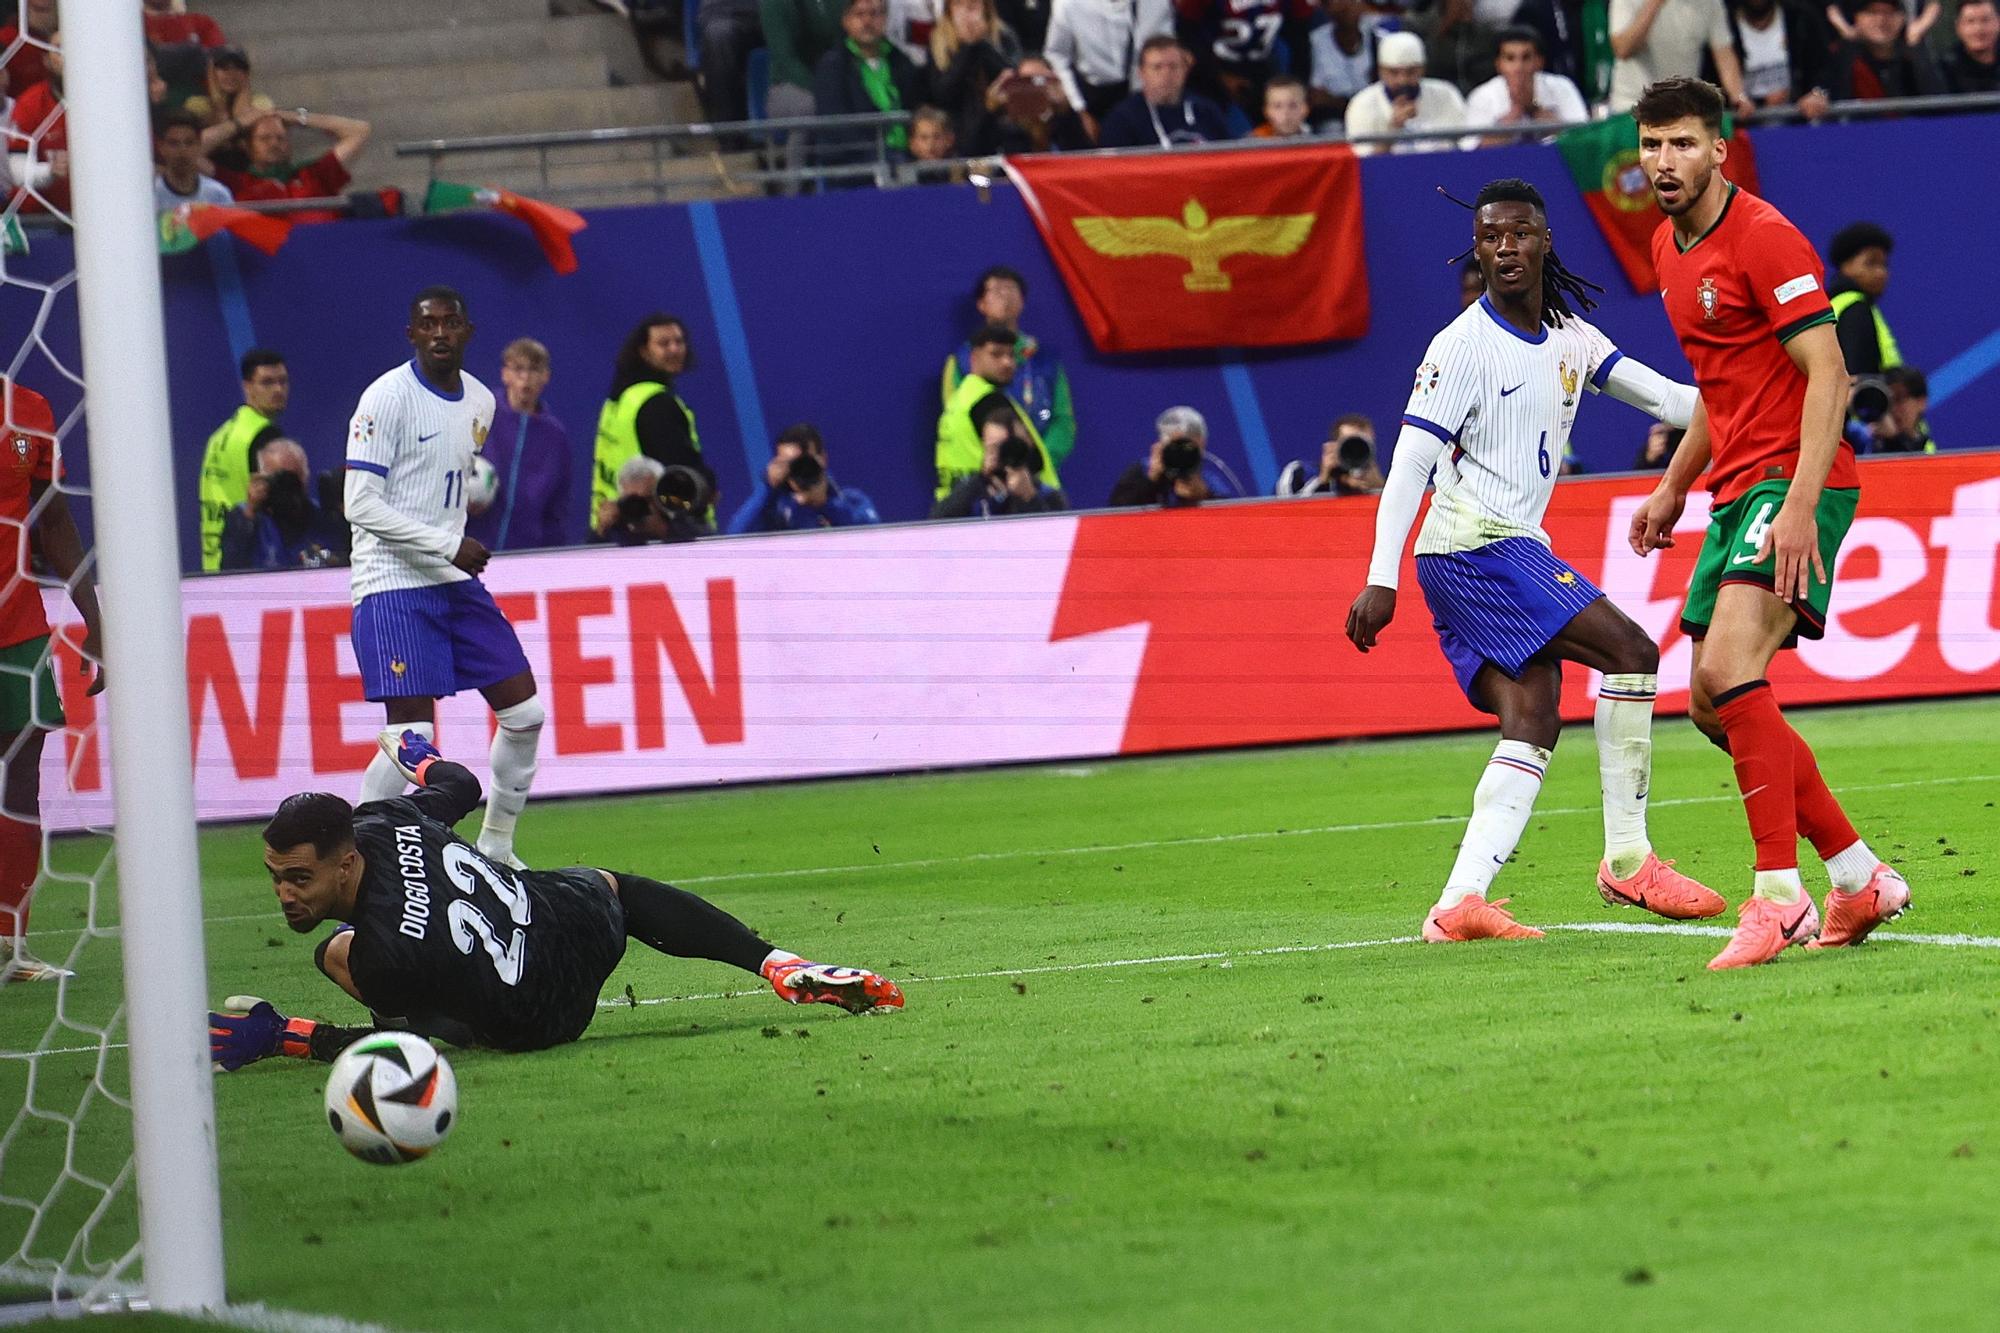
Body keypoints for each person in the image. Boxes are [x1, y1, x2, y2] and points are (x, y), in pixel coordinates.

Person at [1344, 177, 1714, 944]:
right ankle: (1629, 859)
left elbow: (1675, 404)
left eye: (1518, 234)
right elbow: (1409, 466)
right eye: (1490, 238)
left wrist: (1758, 379)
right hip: (1474, 546)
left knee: (1533, 718)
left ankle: (1459, 903)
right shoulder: (1460, 347)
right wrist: (1380, 578)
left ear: (1545, 241)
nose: (1505, 248)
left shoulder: (1572, 338)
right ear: (1477, 250)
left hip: (1505, 546)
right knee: (1633, 651)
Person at [1628, 76, 1907, 969]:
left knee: (1726, 664)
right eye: (1651, 145)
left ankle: (1777, 895)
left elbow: (1830, 375)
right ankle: (1858, 875)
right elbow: (1722, 383)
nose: (1664, 161)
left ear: (1719, 149)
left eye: (1681, 144)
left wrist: (1796, 507)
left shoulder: (1764, 234)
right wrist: (1675, 484)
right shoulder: (1667, 250)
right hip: (1736, 485)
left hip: (1796, 479)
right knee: (1714, 702)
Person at [206, 733, 902, 1070]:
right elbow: (461, 784)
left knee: (338, 954)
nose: (285, 893)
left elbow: (412, 1047)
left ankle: (781, 966)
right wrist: (416, 752)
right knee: (613, 886)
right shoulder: (386, 818)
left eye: (299, 877)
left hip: (538, 1020)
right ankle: (774, 963)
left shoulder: (388, 953)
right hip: (577, 923)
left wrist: (285, 1034)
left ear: (345, 860)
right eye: (276, 875)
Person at [345, 286, 543, 871]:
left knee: (525, 714)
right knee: (409, 735)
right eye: (427, 323)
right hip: (391, 583)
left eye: (450, 323)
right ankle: (358, 859)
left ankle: (498, 847)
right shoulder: (386, 398)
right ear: (412, 333)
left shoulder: (480, 402)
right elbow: (359, 503)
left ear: (467, 331)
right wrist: (446, 543)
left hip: (451, 583)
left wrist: (450, 538)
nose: (439, 333)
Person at [0, 379, 103, 984]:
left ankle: (12, 945)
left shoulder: (29, 409)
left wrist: (96, 618)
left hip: (17, 628)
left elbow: (54, 518)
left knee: (20, 780)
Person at [942, 266, 1076, 473]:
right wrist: (996, 467)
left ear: (1022, 302)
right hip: (983, 477)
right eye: (996, 290)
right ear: (981, 304)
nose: (1005, 296)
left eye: (1011, 289)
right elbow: (958, 425)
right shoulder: (961, 362)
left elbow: (1062, 421)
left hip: (1037, 478)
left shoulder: (1045, 361)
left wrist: (1034, 463)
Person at [592, 314, 714, 537]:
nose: (675, 349)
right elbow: (680, 471)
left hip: (610, 524)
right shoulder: (657, 404)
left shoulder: (619, 399)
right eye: (663, 343)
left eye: (679, 341)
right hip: (655, 530)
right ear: (643, 351)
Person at [465, 338, 574, 553]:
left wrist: (553, 557)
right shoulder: (479, 413)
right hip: (468, 549)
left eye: (534, 370)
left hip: (524, 556)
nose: (525, 378)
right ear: (505, 374)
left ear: (545, 377)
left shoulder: (555, 437)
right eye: (518, 369)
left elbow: (557, 507)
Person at [937, 322, 1062, 498]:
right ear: (974, 358)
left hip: (957, 506)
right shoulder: (989, 402)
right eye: (996, 354)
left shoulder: (960, 400)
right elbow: (1027, 461)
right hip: (999, 510)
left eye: (1011, 355)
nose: (1007, 362)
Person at [198, 348, 289, 572]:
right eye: (267, 382)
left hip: (215, 560)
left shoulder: (220, 436)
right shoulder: (263, 436)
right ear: (247, 386)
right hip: (252, 559)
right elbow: (280, 508)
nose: (278, 389)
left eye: (283, 381)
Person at [212, 107, 371, 224]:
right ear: (247, 146)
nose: (274, 144)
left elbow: (359, 130)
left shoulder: (314, 174)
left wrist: (295, 117)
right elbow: (193, 153)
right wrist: (240, 123)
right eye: (265, 138)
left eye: (280, 138)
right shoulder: (235, 182)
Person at [813, 0, 928, 160]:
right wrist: (879, 155)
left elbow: (918, 108)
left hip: (907, 157)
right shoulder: (832, 66)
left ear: (886, 18)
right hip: (853, 164)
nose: (867, 21)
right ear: (846, 21)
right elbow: (836, 125)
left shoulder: (901, 62)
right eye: (859, 14)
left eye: (875, 14)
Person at [1173, 0, 1316, 122]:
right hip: (1209, 70)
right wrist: (1219, 76)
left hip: (1259, 65)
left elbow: (1300, 40)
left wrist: (1300, 86)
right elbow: (1187, 37)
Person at [220, 438, 349, 571]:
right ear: (262, 479)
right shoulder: (245, 519)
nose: (287, 486)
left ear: (306, 475)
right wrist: (249, 514)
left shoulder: (325, 518)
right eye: (280, 479)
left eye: (294, 478)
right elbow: (230, 571)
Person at [725, 423, 883, 532]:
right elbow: (735, 536)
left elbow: (873, 540)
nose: (796, 469)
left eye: (802, 461)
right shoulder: (775, 508)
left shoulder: (852, 500)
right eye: (788, 464)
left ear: (822, 459)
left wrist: (825, 504)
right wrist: (767, 487)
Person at [1608, 0, 1754, 114]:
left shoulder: (1710, 3)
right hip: (1632, 108)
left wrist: (1738, 96)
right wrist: (1654, 4)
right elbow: (1622, 49)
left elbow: (1724, 54)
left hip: (1680, 110)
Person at [1044, 0, 1177, 122]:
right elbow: (1056, 54)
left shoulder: (1156, 3)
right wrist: (1078, 108)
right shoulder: (1069, 4)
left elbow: (1165, 48)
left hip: (1144, 97)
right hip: (1091, 97)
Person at [1343, 32, 1468, 155]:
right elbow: (1366, 165)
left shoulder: (1446, 94)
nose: (1402, 80)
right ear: (1381, 71)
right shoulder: (1362, 104)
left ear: (1422, 69)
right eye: (1394, 72)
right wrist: (1392, 131)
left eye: (1411, 72)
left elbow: (1467, 145)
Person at [1095, 35, 1234, 146]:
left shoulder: (1206, 111)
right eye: (1157, 67)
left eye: (1173, 66)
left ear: (1185, 70)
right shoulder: (1122, 120)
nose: (1166, 74)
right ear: (1141, 72)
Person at [932, 408, 1070, 517]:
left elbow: (1052, 541)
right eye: (990, 448)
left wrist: (1028, 498)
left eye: (1001, 448)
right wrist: (980, 479)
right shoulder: (972, 491)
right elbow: (936, 524)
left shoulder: (1047, 495)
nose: (996, 455)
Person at [762, 0, 848, 177]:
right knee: (810, 108)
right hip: (787, 85)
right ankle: (794, 189)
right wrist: (822, 89)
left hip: (832, 79)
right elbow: (785, 59)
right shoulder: (774, 4)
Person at [1105, 405, 1245, 506]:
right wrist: (1151, 481)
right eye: (1174, 445)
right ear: (1160, 444)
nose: (1181, 453)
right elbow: (1115, 514)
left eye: (1187, 446)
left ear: (1201, 444)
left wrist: (1204, 497)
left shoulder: (1210, 478)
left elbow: (1231, 523)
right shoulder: (1142, 470)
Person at [1717, 0, 1832, 119]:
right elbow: (1714, 82)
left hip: (1799, 121)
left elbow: (1825, 67)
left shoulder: (1800, 17)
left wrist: (1816, 93)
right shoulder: (1723, 25)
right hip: (1745, 126)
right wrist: (1755, 103)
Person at [931, 0, 1023, 148]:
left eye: (973, 5)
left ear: (985, 8)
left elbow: (1011, 77)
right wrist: (970, 47)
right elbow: (943, 94)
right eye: (958, 5)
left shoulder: (1004, 36)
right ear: (949, 10)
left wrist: (983, 45)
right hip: (959, 134)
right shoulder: (938, 41)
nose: (966, 12)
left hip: (1001, 130)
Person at [1464, 27, 1589, 134]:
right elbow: (1473, 151)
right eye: (1510, 58)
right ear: (1498, 64)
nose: (1519, 67)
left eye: (1526, 57)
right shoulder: (1482, 96)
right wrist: (1516, 111)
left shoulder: (1563, 87)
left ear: (1539, 62)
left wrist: (1533, 108)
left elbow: (1582, 138)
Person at [1825, 0, 1945, 99]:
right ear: (1857, 18)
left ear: (1902, 18)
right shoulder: (1843, 58)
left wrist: (1914, 43)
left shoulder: (1911, 58)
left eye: (1889, 12)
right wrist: (1848, 37)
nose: (1881, 20)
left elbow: (1936, 100)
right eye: (1872, 13)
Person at [1827, 221, 1901, 382]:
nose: (1881, 273)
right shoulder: (1854, 309)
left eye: (1884, 264)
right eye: (1871, 263)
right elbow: (1855, 380)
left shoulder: (1842, 303)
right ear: (1846, 265)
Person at [987, 55, 1096, 152]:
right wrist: (990, 109)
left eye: (1039, 81)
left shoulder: (1064, 121)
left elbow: (1084, 155)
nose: (1033, 89)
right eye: (1026, 81)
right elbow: (977, 152)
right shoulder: (1006, 126)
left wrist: (1065, 107)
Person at [1275, 414, 1384, 496]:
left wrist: (1378, 489)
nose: (1356, 450)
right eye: (1350, 443)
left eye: (1363, 444)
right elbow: (1285, 512)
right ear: (1333, 446)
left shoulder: (1375, 480)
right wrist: (1324, 481)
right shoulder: (1299, 472)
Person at [1307, 0, 1376, 125]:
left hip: (1370, 114)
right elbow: (1316, 97)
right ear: (1327, 9)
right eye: (1343, 8)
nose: (1349, 8)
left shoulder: (1375, 39)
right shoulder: (1316, 41)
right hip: (1330, 119)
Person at [154, 107, 233, 212]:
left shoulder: (218, 195)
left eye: (189, 143)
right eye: (174, 143)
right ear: (161, 147)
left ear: (199, 145)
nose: (182, 150)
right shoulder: (150, 196)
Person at [1870, 364, 1934, 454]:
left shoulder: (1930, 450)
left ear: (1921, 402)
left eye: (1899, 399)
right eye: (1885, 400)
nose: (1891, 408)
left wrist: (1893, 440)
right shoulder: (1861, 439)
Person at [1944, 0, 2000, 94]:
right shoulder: (1946, 70)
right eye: (1970, 22)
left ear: (1998, 23)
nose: (1978, 29)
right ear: (1958, 27)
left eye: (1985, 20)